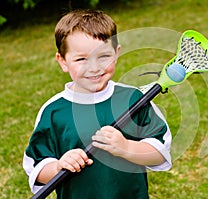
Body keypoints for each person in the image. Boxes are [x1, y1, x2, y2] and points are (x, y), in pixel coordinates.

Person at [23, 9, 172, 199]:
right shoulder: (54, 112)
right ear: (63, 61)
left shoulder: (133, 99)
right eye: (81, 59)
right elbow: (36, 168)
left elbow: (160, 151)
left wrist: (126, 147)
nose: (94, 67)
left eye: (103, 56)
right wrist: (59, 165)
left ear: (116, 53)